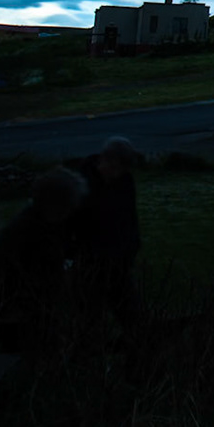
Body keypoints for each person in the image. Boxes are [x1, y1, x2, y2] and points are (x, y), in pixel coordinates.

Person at [0, 167, 87, 354]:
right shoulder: (25, 230)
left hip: (36, 305)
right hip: (19, 308)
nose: (71, 211)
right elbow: (3, 274)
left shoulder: (49, 224)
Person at [68, 136, 144, 329]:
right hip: (90, 264)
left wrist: (132, 245)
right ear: (105, 160)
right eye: (116, 168)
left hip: (118, 262)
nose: (117, 174)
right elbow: (70, 223)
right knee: (90, 317)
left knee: (132, 314)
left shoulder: (125, 180)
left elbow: (130, 217)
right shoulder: (81, 183)